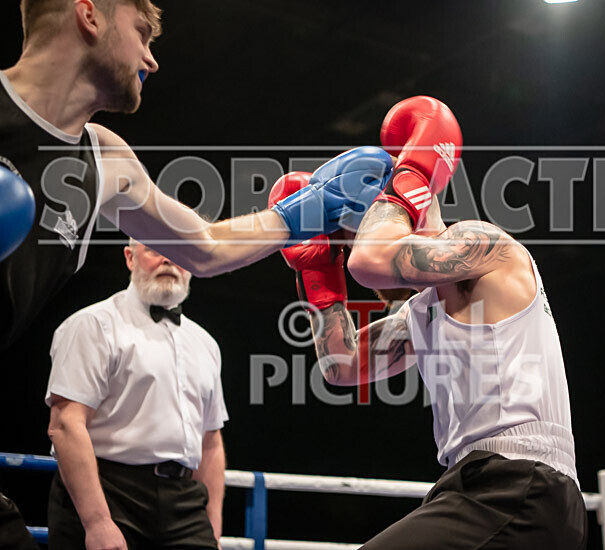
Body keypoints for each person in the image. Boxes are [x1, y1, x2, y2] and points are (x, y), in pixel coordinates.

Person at [1, 1, 391, 538]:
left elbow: (204, 247)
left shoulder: (105, 160)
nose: (151, 59)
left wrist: (308, 211)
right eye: (142, 34)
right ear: (89, 15)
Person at [274, 97, 587, 548]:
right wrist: (319, 278)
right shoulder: (423, 310)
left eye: (351, 232)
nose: (348, 249)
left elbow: (370, 259)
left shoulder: (484, 247)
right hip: (482, 488)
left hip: (522, 484)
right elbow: (340, 366)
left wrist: (412, 176)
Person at [45, 239, 227, 549]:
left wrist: (213, 531)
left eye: (180, 251)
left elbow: (210, 442)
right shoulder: (93, 325)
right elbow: (65, 423)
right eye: (155, 249)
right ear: (130, 258)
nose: (168, 259)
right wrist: (97, 522)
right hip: (106, 490)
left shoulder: (205, 343)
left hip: (184, 503)